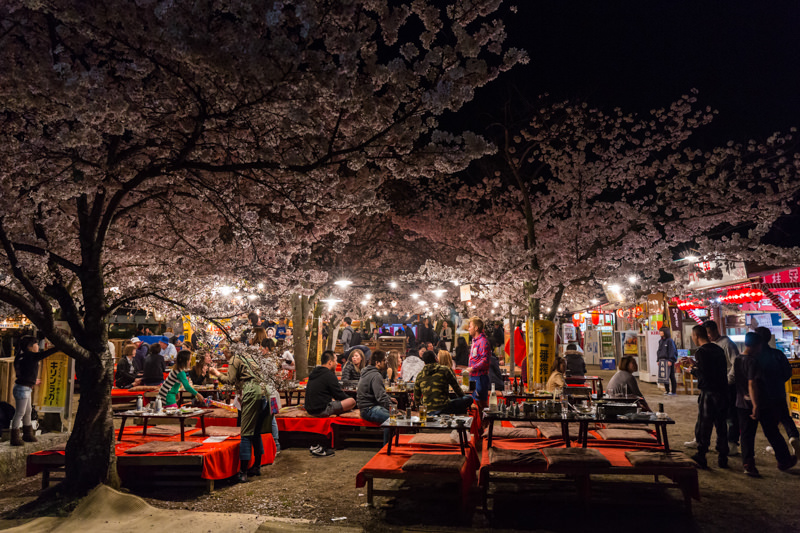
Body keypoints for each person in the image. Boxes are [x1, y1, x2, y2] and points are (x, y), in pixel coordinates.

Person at [735, 332, 796, 475]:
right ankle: (784, 460)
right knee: (772, 431)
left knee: (746, 435)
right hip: (760, 402)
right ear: (758, 345)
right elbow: (752, 383)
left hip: (741, 403)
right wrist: (756, 405)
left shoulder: (738, 359)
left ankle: (748, 464)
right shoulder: (753, 361)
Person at [209, 347, 272, 481]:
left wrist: (216, 373)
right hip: (264, 391)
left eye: (224, 351)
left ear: (229, 351)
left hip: (251, 391)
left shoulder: (234, 359)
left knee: (246, 432)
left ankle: (243, 472)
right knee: (256, 431)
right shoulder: (249, 357)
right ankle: (257, 466)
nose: (223, 354)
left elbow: (230, 380)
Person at [681, 325, 729, 469]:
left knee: (705, 425)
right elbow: (714, 369)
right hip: (722, 391)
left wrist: (692, 370)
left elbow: (704, 374)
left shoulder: (701, 352)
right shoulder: (718, 349)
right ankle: (723, 456)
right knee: (721, 425)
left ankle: (701, 455)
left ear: (696, 336)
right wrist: (695, 364)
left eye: (693, 336)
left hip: (709, 392)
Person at [755, 327, 800, 460]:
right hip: (779, 392)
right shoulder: (778, 354)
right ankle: (793, 436)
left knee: (770, 426)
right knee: (785, 417)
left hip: (763, 395)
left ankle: (779, 449)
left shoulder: (754, 356)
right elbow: (787, 373)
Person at [698, 320, 741, 455]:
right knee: (711, 416)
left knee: (729, 416)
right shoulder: (712, 346)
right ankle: (707, 442)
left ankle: (731, 443)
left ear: (716, 330)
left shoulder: (727, 344)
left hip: (727, 385)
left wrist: (729, 380)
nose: (708, 336)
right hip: (715, 385)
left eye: (709, 333)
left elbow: (736, 364)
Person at [10, 336, 57, 446]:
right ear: (30, 346)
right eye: (36, 344)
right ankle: (15, 437)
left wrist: (33, 381)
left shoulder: (20, 356)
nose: (37, 346)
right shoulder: (30, 356)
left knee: (28, 411)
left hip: (23, 387)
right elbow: (44, 354)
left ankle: (27, 434)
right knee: (20, 413)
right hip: (23, 389)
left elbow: (24, 372)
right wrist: (58, 347)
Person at [357, 350, 397, 444]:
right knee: (391, 419)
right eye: (384, 361)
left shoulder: (367, 372)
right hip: (369, 409)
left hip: (365, 407)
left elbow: (378, 394)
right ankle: (387, 447)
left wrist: (389, 399)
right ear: (377, 363)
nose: (386, 363)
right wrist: (393, 410)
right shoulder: (376, 375)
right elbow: (381, 397)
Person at [415, 350, 473, 415]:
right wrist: (462, 398)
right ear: (436, 359)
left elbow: (416, 398)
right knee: (469, 398)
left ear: (424, 362)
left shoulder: (420, 375)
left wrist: (421, 410)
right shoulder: (444, 370)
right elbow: (457, 389)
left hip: (428, 410)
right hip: (444, 407)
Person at [304, 350, 356, 417]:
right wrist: (351, 399)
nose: (337, 363)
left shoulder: (314, 372)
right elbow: (339, 395)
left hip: (309, 409)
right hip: (321, 410)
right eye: (335, 361)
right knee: (351, 401)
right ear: (330, 362)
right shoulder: (329, 375)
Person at [467, 316, 491, 411]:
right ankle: (480, 425)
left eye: (470, 326)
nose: (469, 329)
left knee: (482, 403)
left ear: (476, 328)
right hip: (473, 376)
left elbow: (485, 360)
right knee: (477, 402)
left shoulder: (483, 342)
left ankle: (487, 423)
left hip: (480, 377)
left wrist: (473, 368)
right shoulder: (475, 341)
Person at [657, 327, 678, 395]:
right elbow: (659, 351)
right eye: (660, 331)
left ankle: (673, 391)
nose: (660, 333)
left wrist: (671, 360)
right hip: (662, 360)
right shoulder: (660, 341)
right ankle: (667, 390)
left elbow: (672, 351)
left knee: (671, 375)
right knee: (664, 376)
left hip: (668, 360)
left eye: (661, 331)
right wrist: (658, 360)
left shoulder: (670, 341)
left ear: (665, 332)